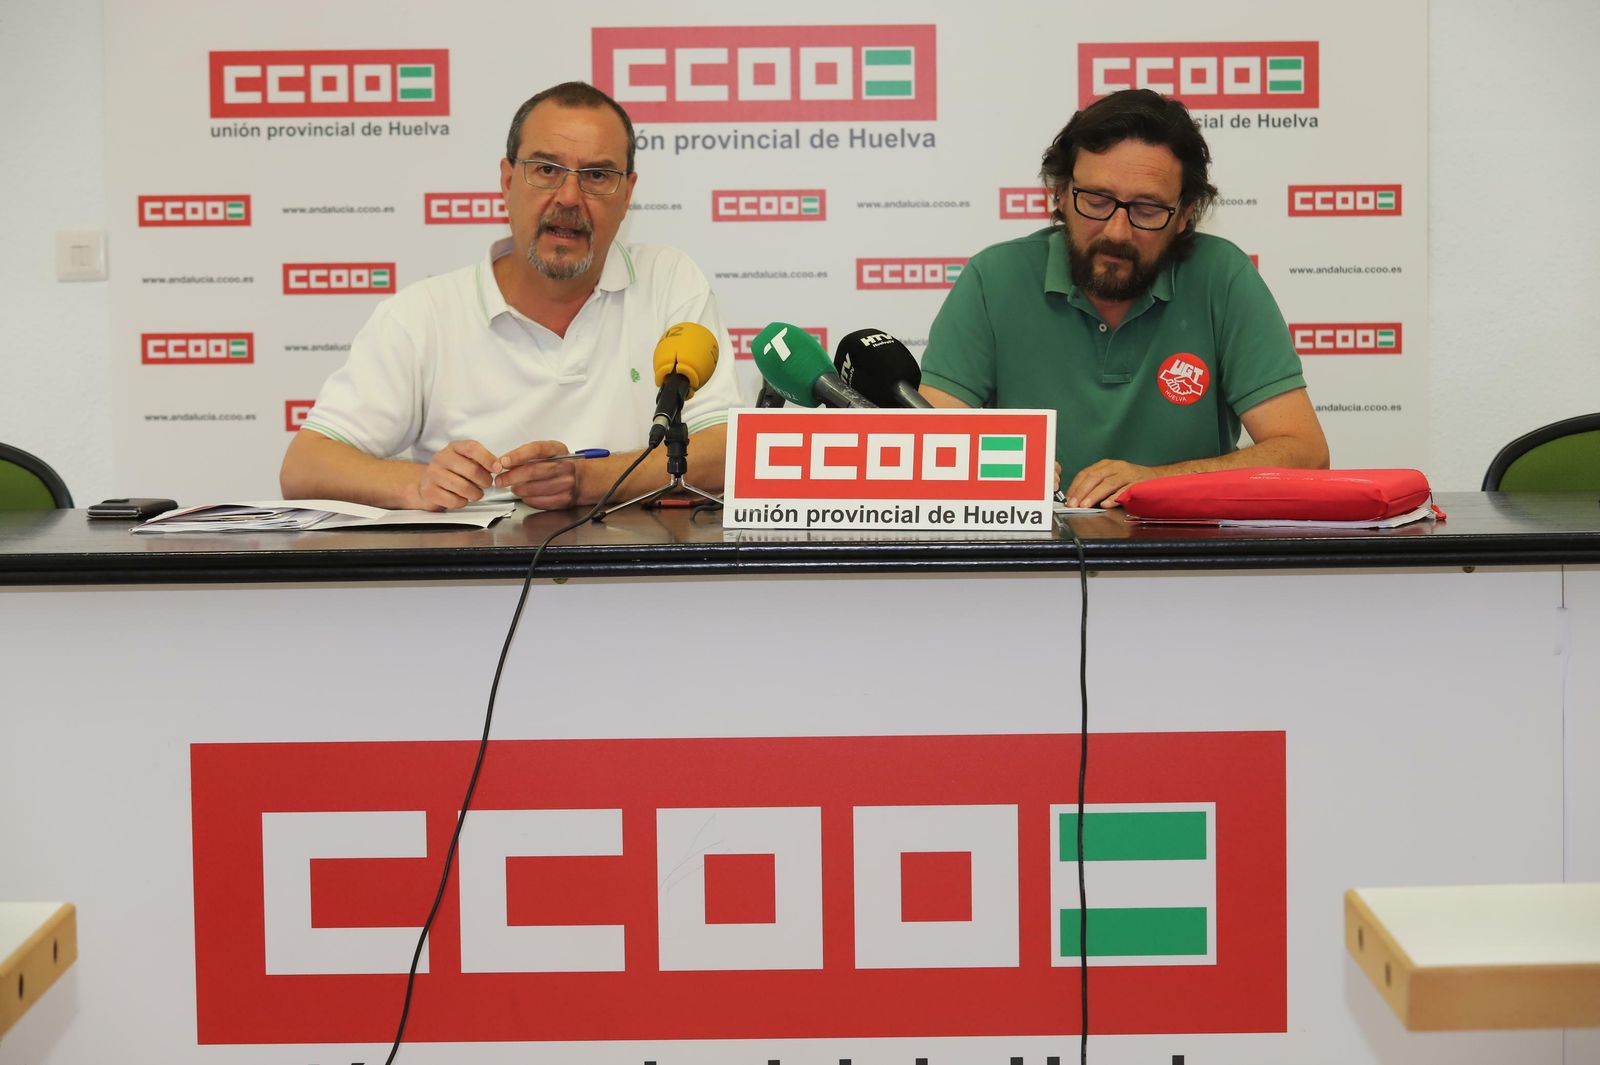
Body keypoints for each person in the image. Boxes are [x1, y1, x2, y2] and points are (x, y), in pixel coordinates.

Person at [279, 82, 741, 511]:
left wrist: (587, 479)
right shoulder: (423, 315)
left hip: (637, 584)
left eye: (597, 175)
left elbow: (725, 451)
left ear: (627, 195)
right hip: (474, 591)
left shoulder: (669, 280)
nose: (568, 197)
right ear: (506, 180)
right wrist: (417, 484)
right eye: (545, 170)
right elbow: (304, 467)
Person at [918, 89, 1328, 508]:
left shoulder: (1221, 276)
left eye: (1147, 210)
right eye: (1096, 201)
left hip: (1187, 560)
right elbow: (923, 443)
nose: (1117, 232)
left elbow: (1306, 453)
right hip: (1033, 563)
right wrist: (1000, 469)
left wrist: (1156, 482)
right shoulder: (994, 278)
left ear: (1185, 215)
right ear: (1059, 193)